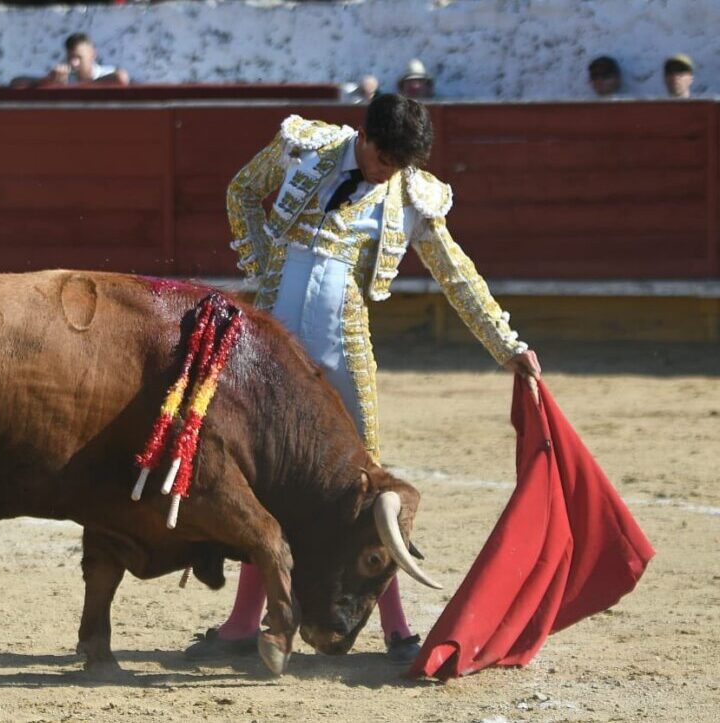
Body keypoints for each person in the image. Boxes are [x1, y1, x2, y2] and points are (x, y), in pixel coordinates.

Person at [187, 94, 541, 665]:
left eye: (400, 165)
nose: (387, 174)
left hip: (343, 345)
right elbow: (241, 192)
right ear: (365, 137)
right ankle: (241, 625)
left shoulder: (408, 192)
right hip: (273, 339)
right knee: (262, 476)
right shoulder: (306, 146)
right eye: (383, 160)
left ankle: (396, 629)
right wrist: (261, 266)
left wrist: (507, 344)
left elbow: (456, 273)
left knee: (368, 488)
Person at [42, 33, 129, 87]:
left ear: (93, 54)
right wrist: (54, 84)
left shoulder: (105, 73)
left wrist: (75, 88)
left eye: (79, 57)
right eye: (70, 57)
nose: (74, 63)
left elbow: (121, 78)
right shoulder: (66, 78)